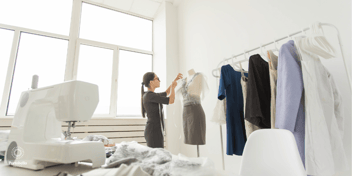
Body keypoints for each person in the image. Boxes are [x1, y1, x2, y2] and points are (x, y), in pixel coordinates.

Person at [141, 72, 183, 148]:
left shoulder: (152, 95)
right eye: (157, 79)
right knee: (157, 156)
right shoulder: (149, 96)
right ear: (151, 82)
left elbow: (166, 92)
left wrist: (175, 80)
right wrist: (173, 87)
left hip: (156, 130)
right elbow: (171, 100)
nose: (159, 81)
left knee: (159, 155)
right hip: (153, 132)